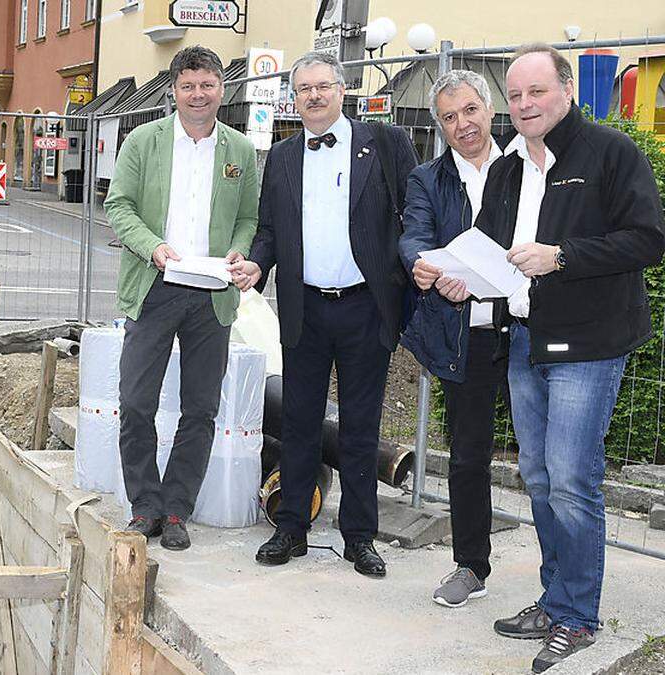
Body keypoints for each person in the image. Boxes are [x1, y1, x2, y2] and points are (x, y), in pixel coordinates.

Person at [474, 43, 665, 673]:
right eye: (517, 95)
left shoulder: (612, 153)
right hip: (525, 341)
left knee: (571, 479)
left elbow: (647, 239)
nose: (525, 105)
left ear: (568, 91)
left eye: (537, 92)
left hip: (587, 343)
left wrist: (562, 256)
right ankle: (556, 600)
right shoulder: (506, 169)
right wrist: (462, 274)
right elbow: (490, 245)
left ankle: (578, 616)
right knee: (538, 477)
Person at [230, 51, 416, 577]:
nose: (313, 95)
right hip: (304, 306)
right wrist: (255, 267)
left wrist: (411, 275)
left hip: (365, 306)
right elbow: (268, 230)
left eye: (323, 86)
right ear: (294, 97)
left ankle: (360, 537)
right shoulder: (284, 157)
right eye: (303, 88)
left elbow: (413, 215)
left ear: (342, 90)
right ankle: (291, 527)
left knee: (360, 426)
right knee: (300, 420)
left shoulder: (384, 145)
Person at [104, 45, 260, 551]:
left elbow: (249, 217)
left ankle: (175, 510)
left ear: (222, 89)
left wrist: (239, 252)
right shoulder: (143, 142)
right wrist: (153, 248)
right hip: (155, 287)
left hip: (212, 296)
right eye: (189, 85)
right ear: (174, 90)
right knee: (135, 401)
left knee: (200, 408)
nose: (199, 94)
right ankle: (144, 505)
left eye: (208, 84)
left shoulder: (239, 150)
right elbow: (119, 205)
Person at [398, 69, 508, 607]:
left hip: (529, 332)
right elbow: (415, 234)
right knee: (467, 459)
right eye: (447, 118)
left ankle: (563, 582)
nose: (461, 124)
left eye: (469, 111)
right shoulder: (428, 178)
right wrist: (421, 264)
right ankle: (471, 566)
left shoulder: (526, 168)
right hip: (469, 338)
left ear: (490, 109)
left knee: (547, 462)